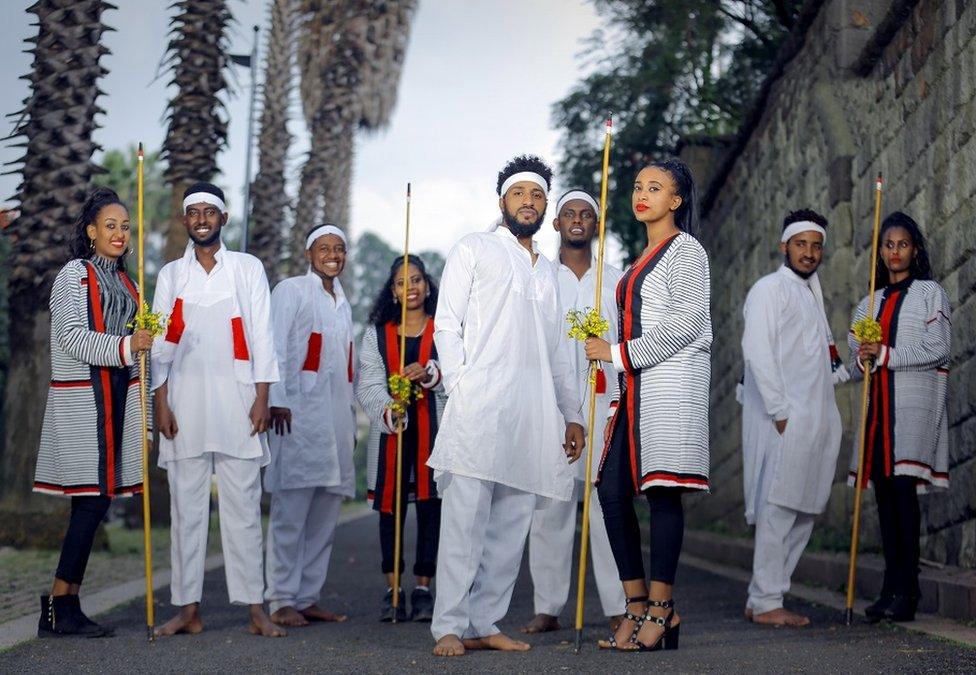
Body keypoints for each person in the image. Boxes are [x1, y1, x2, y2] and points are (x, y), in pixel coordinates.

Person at [429, 155, 585, 657]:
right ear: (503, 201)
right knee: (465, 520)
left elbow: (561, 351)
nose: (529, 202)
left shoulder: (552, 274)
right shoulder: (474, 249)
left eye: (538, 196)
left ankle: (485, 620)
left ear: (545, 208)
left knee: (511, 524)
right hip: (480, 404)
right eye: (520, 194)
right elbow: (446, 325)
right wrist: (461, 384)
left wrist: (573, 413)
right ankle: (448, 626)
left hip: (534, 413)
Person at [584, 158, 711, 652]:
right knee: (611, 493)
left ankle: (663, 611)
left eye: (655, 188)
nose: (643, 194)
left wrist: (615, 354)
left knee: (663, 493)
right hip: (634, 392)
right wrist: (607, 344)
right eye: (638, 186)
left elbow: (689, 323)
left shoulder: (687, 252)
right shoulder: (638, 259)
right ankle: (636, 606)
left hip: (671, 388)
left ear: (676, 201)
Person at [151, 182, 283, 638]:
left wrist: (263, 397)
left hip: (239, 401)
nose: (202, 218)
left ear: (224, 219)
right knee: (185, 510)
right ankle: (188, 610)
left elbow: (263, 335)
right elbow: (158, 344)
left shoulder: (247, 268)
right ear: (186, 221)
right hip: (184, 402)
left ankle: (255, 610)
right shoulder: (171, 275)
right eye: (194, 212)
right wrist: (160, 401)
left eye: (210, 211)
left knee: (243, 509)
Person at [34, 187, 154, 637]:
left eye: (125, 226)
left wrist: (144, 418)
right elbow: (72, 337)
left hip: (120, 400)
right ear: (90, 231)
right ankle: (60, 606)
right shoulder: (73, 275)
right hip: (87, 402)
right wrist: (128, 344)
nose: (120, 234)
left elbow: (144, 356)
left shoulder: (130, 284)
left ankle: (64, 605)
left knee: (94, 503)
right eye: (110, 226)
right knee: (91, 502)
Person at [521, 189, 626, 635]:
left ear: (597, 225)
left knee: (607, 505)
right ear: (556, 224)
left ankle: (620, 604)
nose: (578, 220)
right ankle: (547, 606)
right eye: (569, 214)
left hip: (606, 404)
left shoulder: (617, 280)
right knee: (552, 505)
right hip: (551, 408)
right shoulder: (538, 277)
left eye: (587, 214)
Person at [740, 209, 845, 627]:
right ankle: (767, 601)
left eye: (815, 245)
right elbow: (757, 350)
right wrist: (782, 412)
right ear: (784, 246)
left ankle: (766, 595)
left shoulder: (812, 296)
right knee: (780, 508)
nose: (808, 252)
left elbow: (825, 363)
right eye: (800, 244)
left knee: (805, 509)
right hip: (787, 418)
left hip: (818, 419)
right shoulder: (770, 289)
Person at [849, 211, 951, 623]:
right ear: (881, 251)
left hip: (909, 412)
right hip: (877, 413)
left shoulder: (930, 294)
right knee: (885, 502)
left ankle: (908, 591)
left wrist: (886, 355)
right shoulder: (868, 302)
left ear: (916, 249)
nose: (895, 252)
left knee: (904, 498)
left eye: (902, 244)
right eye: (888, 245)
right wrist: (863, 355)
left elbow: (938, 347)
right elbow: (860, 360)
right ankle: (890, 589)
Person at [264, 224, 356, 627]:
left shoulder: (342, 301)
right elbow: (274, 347)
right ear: (308, 253)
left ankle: (307, 596)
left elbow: (346, 368)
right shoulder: (291, 291)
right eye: (324, 248)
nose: (332, 254)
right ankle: (280, 598)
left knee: (324, 516)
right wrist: (277, 400)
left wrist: (351, 421)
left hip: (335, 422)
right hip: (297, 418)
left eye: (339, 248)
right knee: (291, 512)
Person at [358, 254, 445, 622]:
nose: (409, 287)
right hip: (392, 434)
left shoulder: (444, 331)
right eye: (400, 282)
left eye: (416, 280)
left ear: (427, 285)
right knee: (390, 511)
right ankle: (393, 590)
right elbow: (367, 384)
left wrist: (430, 375)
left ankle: (423, 588)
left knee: (430, 508)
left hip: (433, 431)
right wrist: (387, 407)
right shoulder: (376, 334)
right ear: (391, 291)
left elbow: (458, 374)